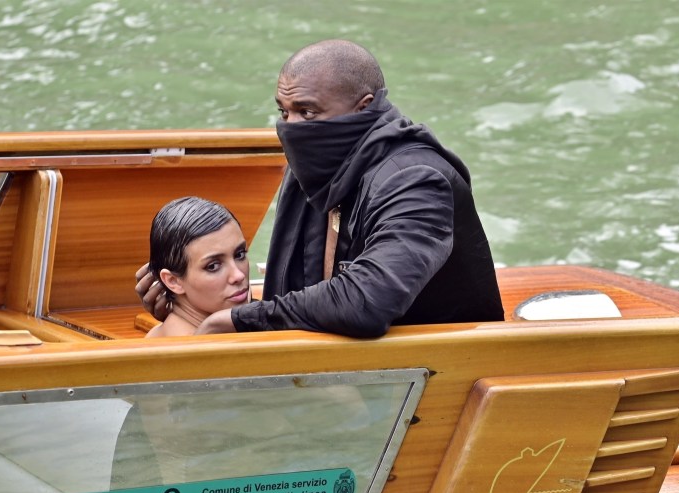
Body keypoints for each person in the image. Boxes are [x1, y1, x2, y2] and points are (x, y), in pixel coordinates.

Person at [137, 39, 503, 338]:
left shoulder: (417, 181)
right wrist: (189, 306)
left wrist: (235, 320)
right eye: (284, 112)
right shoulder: (315, 166)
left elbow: (367, 301)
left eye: (307, 112)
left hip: (433, 378)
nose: (291, 128)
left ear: (364, 108)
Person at [143, 196, 250, 338]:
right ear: (173, 281)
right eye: (213, 266)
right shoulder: (205, 351)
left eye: (239, 255)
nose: (238, 275)